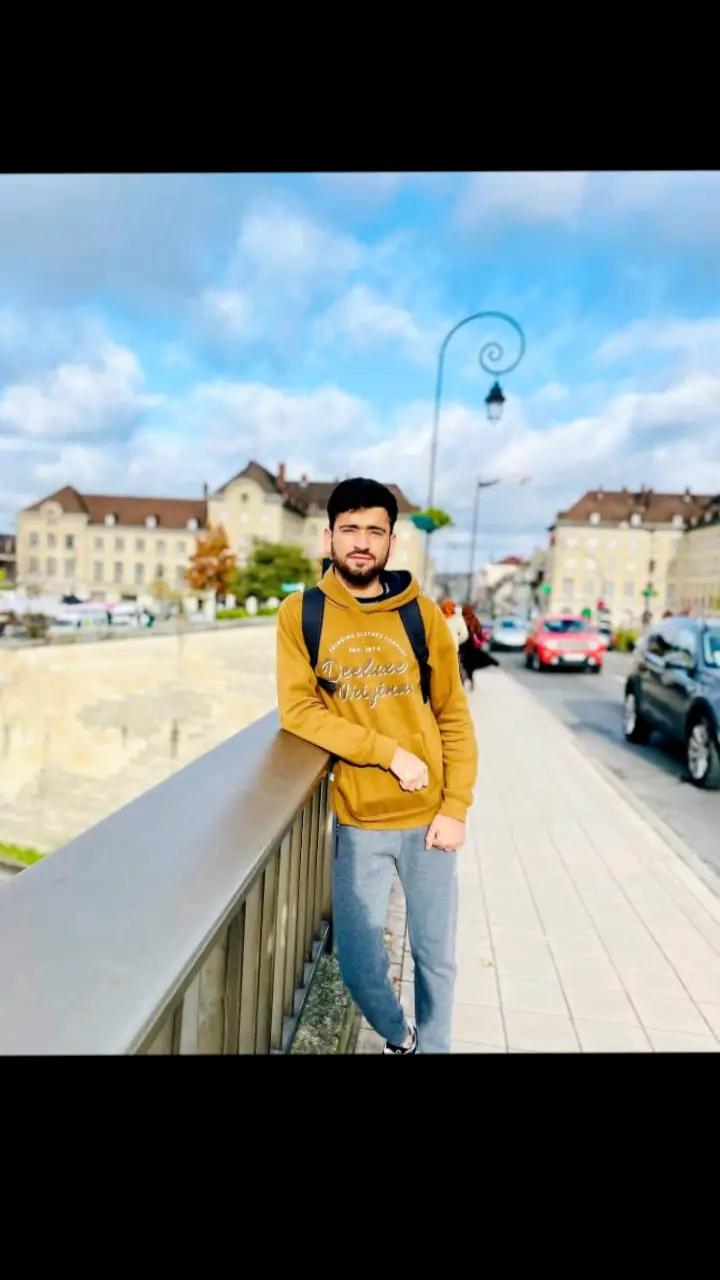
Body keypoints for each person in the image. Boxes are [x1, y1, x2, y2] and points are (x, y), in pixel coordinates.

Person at [276, 478, 478, 1054]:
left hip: (430, 820)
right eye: (350, 530)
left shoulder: (421, 615)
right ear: (329, 537)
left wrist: (456, 807)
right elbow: (298, 711)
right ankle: (399, 1035)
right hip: (360, 820)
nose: (361, 542)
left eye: (374, 531)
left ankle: (431, 1049)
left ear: (391, 541)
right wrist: (387, 752)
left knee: (434, 956)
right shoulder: (302, 614)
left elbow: (453, 717)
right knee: (359, 964)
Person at [459, 604, 498, 690]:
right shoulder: (473, 620)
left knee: (464, 665)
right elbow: (480, 633)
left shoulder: (461, 620)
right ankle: (469, 681)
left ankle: (465, 681)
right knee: (469, 667)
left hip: (464, 647)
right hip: (471, 647)